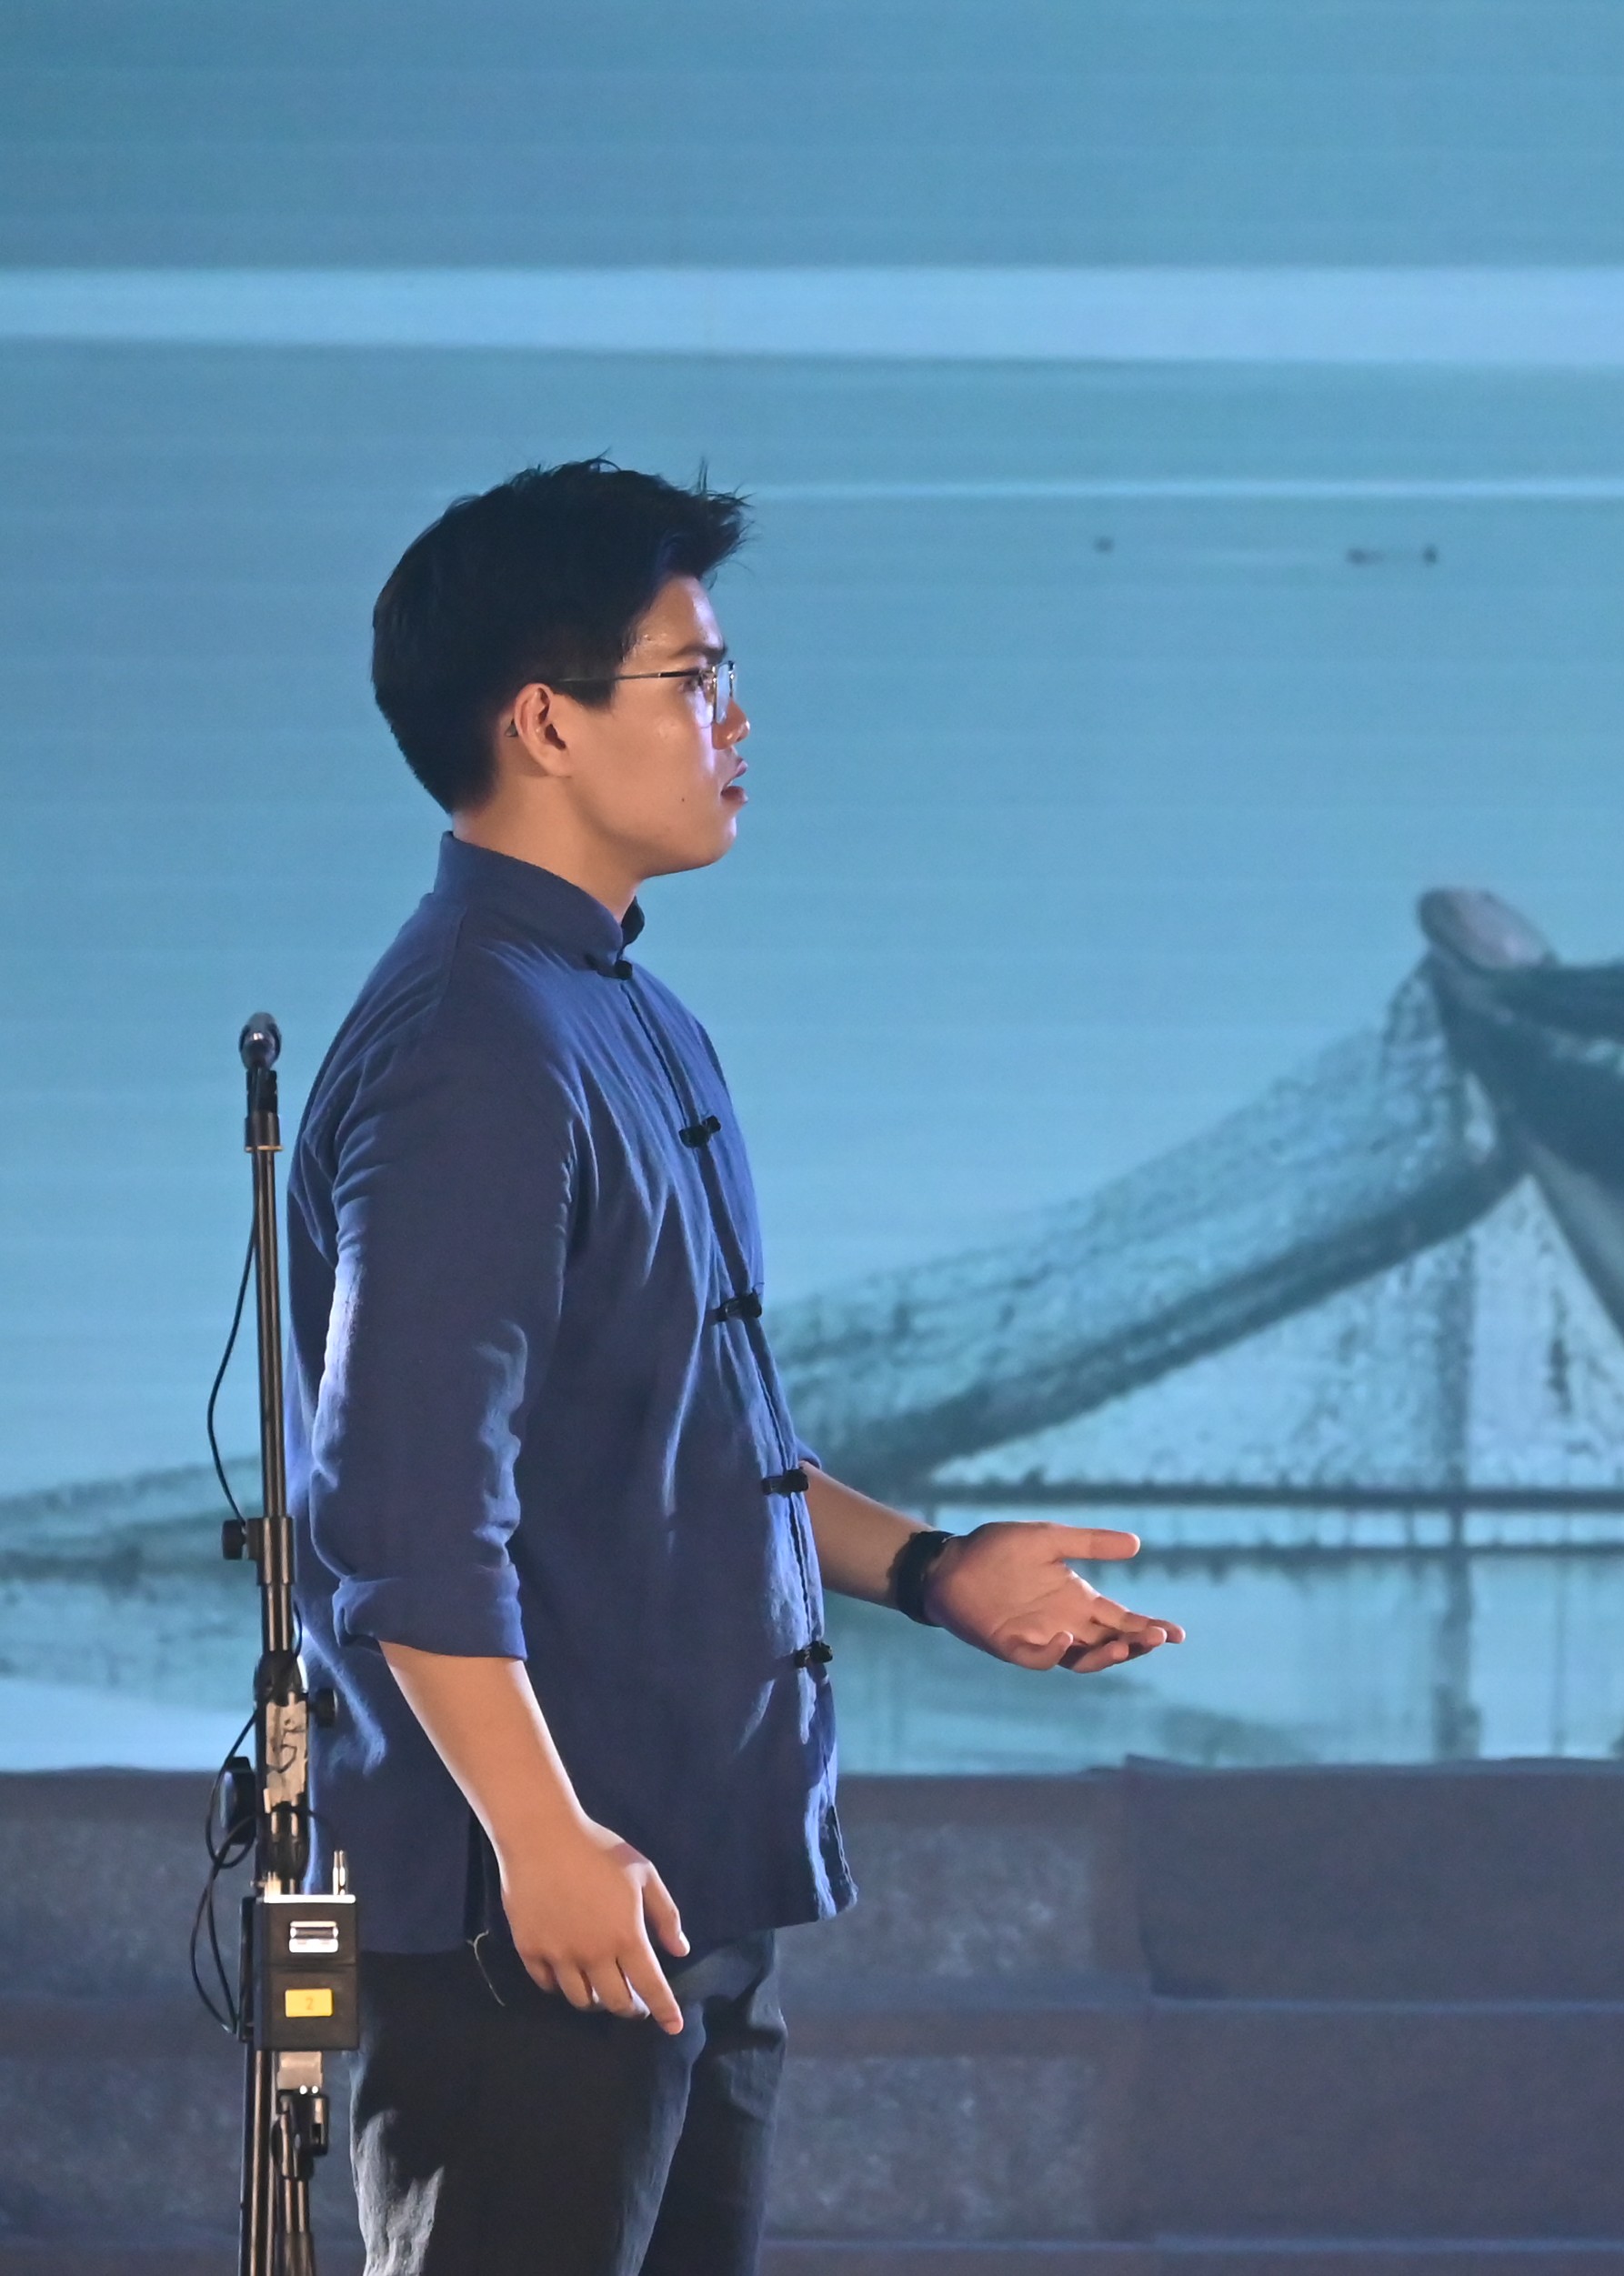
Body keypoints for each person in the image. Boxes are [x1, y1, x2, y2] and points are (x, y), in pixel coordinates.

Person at [286, 459, 1185, 2275]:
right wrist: (541, 1836)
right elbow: (401, 1506)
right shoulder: (475, 1043)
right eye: (693, 677)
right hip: (538, 1912)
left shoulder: (612, 1008)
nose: (736, 719)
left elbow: (689, 1438)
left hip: (664, 1888)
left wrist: (932, 1570)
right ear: (545, 721)